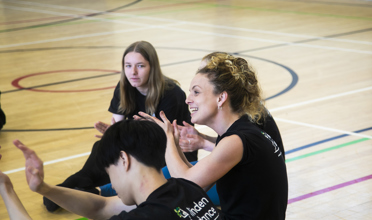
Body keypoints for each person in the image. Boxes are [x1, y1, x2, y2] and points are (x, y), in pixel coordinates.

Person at [43, 41, 197, 212]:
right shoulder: (124, 87)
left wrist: (121, 137)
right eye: (128, 66)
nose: (133, 72)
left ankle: (96, 191)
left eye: (140, 66)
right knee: (102, 146)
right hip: (137, 146)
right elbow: (117, 126)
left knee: (130, 160)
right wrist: (112, 134)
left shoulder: (171, 93)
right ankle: (77, 181)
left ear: (152, 67)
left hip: (172, 152)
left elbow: (163, 141)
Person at [139, 53, 288, 219]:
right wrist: (174, 141)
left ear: (221, 98)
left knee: (165, 207)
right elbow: (196, 184)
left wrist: (166, 138)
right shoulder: (238, 133)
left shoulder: (237, 140)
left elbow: (186, 184)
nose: (188, 100)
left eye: (196, 92)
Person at [5, 120, 220, 220]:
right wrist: (44, 188)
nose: (113, 184)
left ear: (123, 159)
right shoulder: (187, 189)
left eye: (109, 173)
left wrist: (6, 188)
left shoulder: (143, 217)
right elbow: (100, 208)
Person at [177, 52, 285, 159]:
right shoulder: (238, 112)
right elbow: (226, 142)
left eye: (206, 70)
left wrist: (203, 144)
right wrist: (201, 136)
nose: (200, 74)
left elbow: (235, 149)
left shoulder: (246, 117)